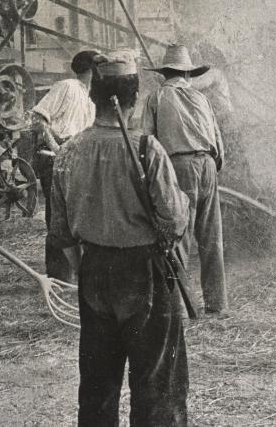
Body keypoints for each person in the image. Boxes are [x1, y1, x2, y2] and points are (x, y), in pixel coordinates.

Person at [49, 52, 189, 426]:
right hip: (144, 271)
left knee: (98, 387)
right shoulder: (146, 149)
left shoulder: (67, 152)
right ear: (133, 98)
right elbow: (174, 220)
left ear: (94, 95)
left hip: (94, 272)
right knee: (157, 383)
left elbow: (60, 231)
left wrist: (85, 267)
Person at [142, 44, 228, 314]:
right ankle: (217, 304)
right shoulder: (201, 99)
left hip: (178, 165)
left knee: (178, 234)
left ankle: (177, 307)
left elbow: (147, 141)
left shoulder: (156, 97)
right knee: (211, 236)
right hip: (209, 164)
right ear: (188, 74)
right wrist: (212, 168)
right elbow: (218, 141)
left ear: (164, 73)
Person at [32, 50, 98, 281]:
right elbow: (38, 119)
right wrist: (57, 148)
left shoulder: (92, 96)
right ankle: (58, 276)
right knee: (58, 217)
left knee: (78, 215)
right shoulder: (67, 86)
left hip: (78, 156)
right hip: (54, 156)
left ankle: (77, 273)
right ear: (89, 70)